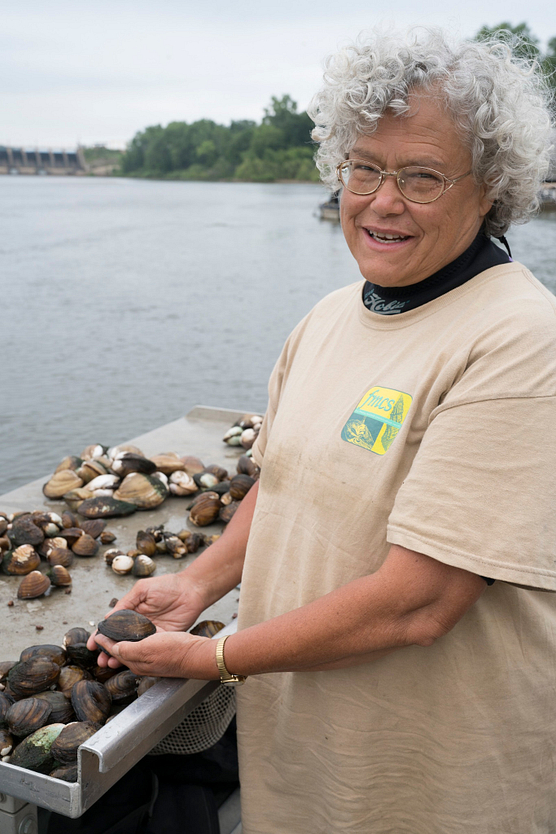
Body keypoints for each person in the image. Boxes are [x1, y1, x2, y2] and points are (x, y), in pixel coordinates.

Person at [91, 27, 556, 833]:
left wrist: (212, 656)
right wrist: (199, 584)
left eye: (422, 176)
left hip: (437, 784)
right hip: (304, 758)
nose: (382, 200)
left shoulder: (520, 341)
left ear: (491, 189)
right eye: (364, 167)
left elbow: (424, 602)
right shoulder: (330, 317)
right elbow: (285, 480)